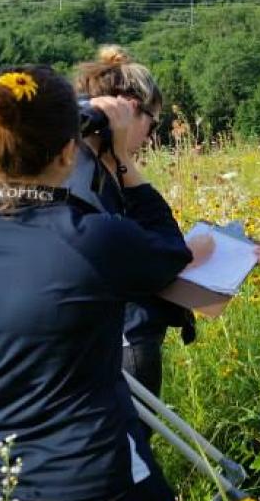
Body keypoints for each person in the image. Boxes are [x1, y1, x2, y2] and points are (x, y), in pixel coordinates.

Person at [0, 66, 190, 501]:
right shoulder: (91, 240)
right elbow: (168, 251)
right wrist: (121, 158)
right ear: (69, 152)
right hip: (85, 481)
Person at [72, 44, 193, 398]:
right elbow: (167, 252)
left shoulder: (72, 167)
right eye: (152, 123)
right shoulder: (93, 177)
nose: (151, 136)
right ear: (128, 111)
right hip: (122, 341)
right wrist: (122, 155)